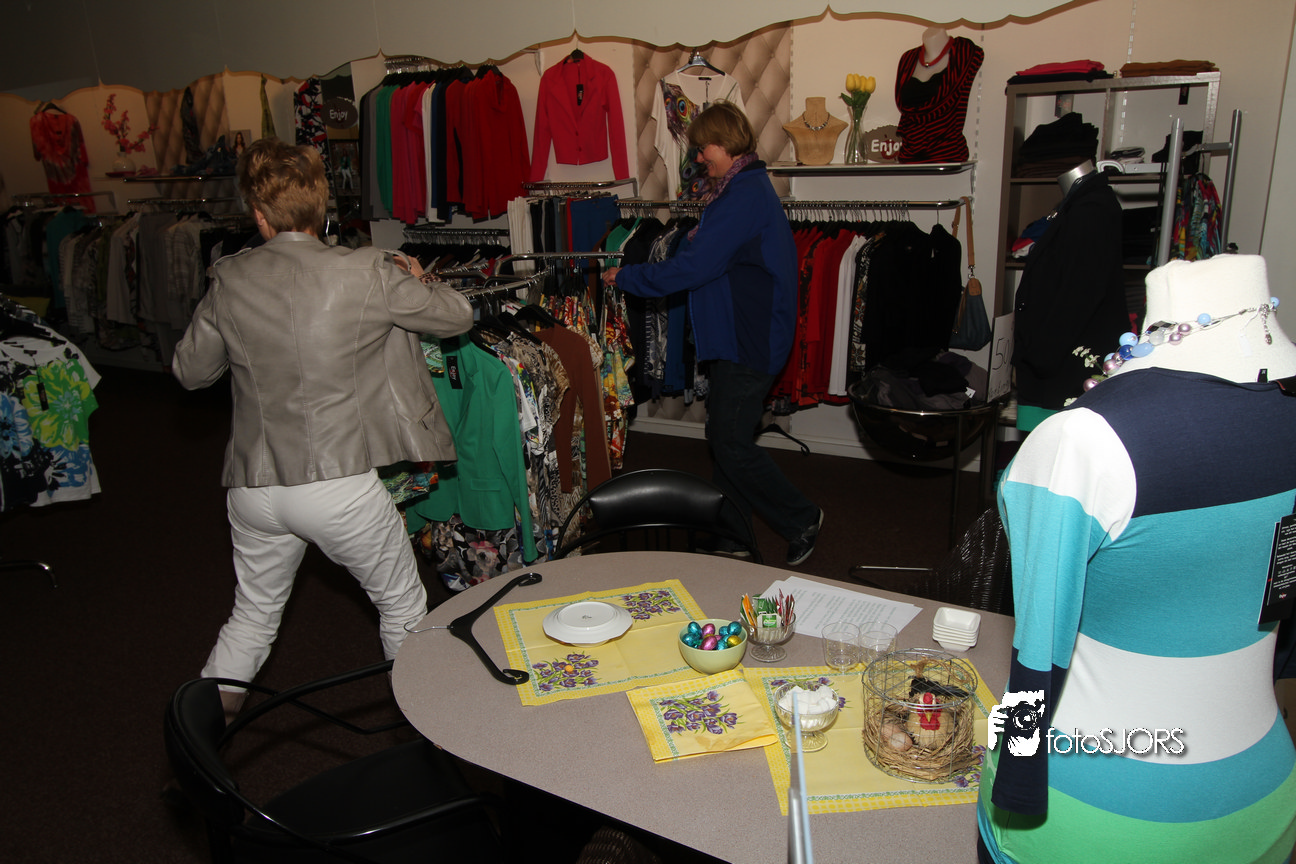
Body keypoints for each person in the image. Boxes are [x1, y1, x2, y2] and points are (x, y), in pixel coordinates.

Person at [979, 254, 1296, 862]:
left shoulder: (1085, 438)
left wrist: (1016, 778)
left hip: (1099, 811)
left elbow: (1038, 650)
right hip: (1265, 794)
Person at [173, 137, 473, 720]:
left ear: (258, 215)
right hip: (340, 486)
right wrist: (418, 277)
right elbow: (457, 315)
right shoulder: (368, 271)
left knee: (252, 615)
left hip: (253, 486)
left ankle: (197, 737)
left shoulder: (228, 277)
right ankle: (422, 735)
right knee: (403, 607)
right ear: (321, 208)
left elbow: (191, 373)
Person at [602, 101, 822, 566]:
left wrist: (627, 276)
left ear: (726, 144)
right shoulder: (742, 187)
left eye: (704, 148)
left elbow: (695, 267)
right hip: (739, 334)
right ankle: (730, 535)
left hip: (750, 339)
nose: (700, 157)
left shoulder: (742, 197)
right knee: (725, 436)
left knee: (729, 441)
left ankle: (801, 518)